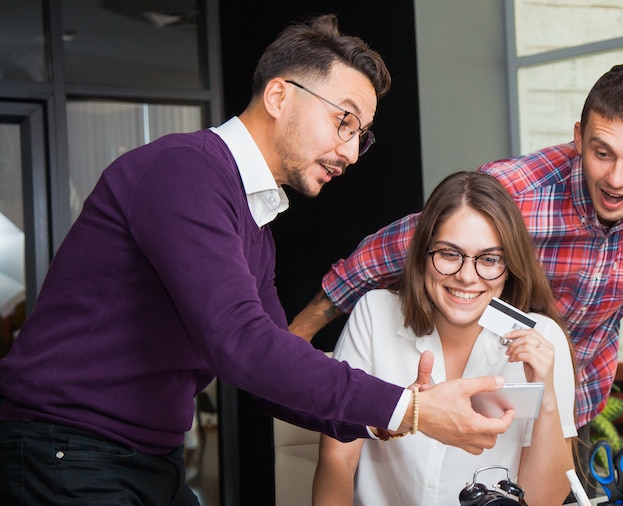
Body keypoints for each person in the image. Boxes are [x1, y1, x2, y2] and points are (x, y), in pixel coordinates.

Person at [0, 15, 514, 505]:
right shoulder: (185, 172)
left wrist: (394, 408)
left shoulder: (252, 223)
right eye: (344, 121)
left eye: (361, 133)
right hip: (66, 451)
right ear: (278, 95)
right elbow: (240, 343)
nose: (352, 151)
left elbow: (268, 366)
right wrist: (409, 408)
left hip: (146, 459)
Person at [290, 61, 623, 493]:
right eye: (602, 153)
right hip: (492, 369)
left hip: (575, 390)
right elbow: (395, 248)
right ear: (579, 138)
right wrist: (296, 339)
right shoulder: (517, 190)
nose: (617, 178)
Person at [312, 171, 578, 505]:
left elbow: (544, 501)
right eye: (450, 254)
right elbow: (337, 459)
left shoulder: (541, 338)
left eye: (490, 259)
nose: (467, 276)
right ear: (424, 254)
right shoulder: (375, 315)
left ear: (509, 266)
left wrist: (547, 398)